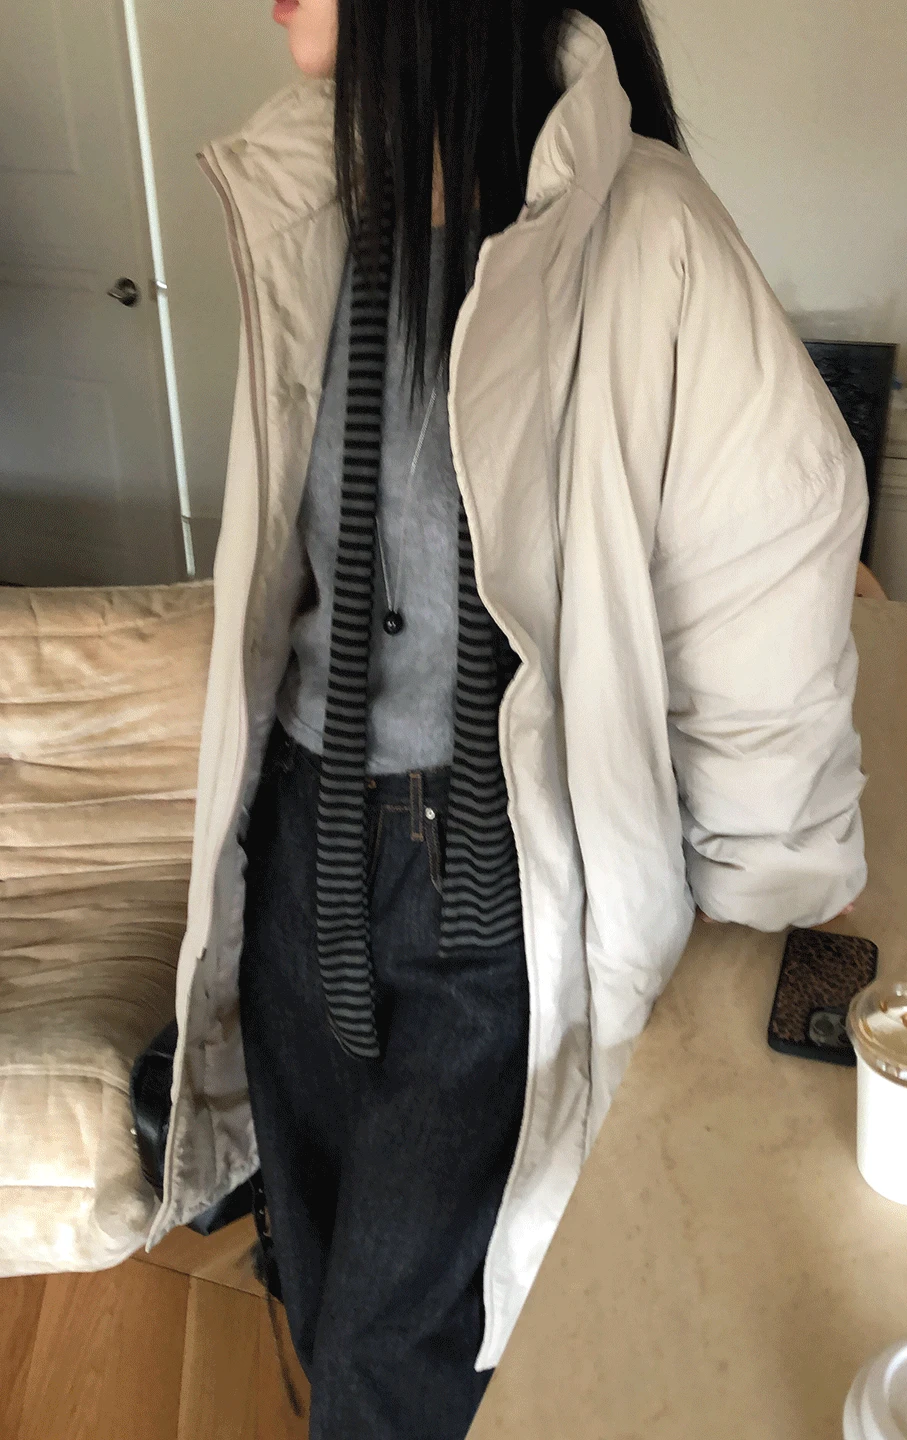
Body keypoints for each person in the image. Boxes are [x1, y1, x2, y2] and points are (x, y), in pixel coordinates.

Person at [152, 2, 868, 1436]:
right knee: (320, 1280)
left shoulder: (648, 236)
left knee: (401, 1354)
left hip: (494, 900)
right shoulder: (313, 200)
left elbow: (765, 573)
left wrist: (762, 913)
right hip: (295, 858)